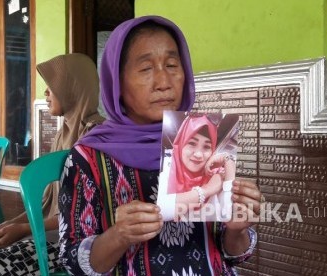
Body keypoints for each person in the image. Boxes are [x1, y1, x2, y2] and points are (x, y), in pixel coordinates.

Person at [58, 16, 262, 275]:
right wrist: (118, 236)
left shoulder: (206, 142)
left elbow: (232, 254)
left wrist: (238, 229)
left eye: (172, 65)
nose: (164, 82)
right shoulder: (87, 159)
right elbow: (73, 263)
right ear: (116, 81)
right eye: (146, 69)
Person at [0, 53, 105, 275]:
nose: (46, 93)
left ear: (72, 88)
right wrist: (12, 223)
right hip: (47, 234)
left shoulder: (96, 136)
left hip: (76, 243)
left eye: (52, 86)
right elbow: (46, 202)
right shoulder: (63, 135)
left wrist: (24, 228)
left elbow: (87, 212)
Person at [157, 113, 236, 221]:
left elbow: (231, 216)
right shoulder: (163, 179)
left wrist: (228, 159)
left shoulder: (218, 178)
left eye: (207, 147)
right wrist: (206, 190)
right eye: (192, 144)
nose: (198, 154)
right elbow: (156, 213)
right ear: (180, 145)